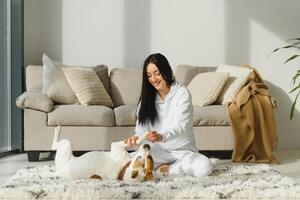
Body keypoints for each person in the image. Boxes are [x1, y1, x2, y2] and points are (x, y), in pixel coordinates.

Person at [124, 53, 212, 177]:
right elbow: (141, 131)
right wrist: (135, 139)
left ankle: (166, 170)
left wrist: (161, 136)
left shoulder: (182, 93)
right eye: (149, 76)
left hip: (183, 152)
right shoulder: (146, 99)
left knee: (204, 168)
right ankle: (157, 167)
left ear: (166, 70)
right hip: (156, 152)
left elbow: (181, 126)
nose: (153, 79)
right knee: (124, 165)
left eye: (157, 73)